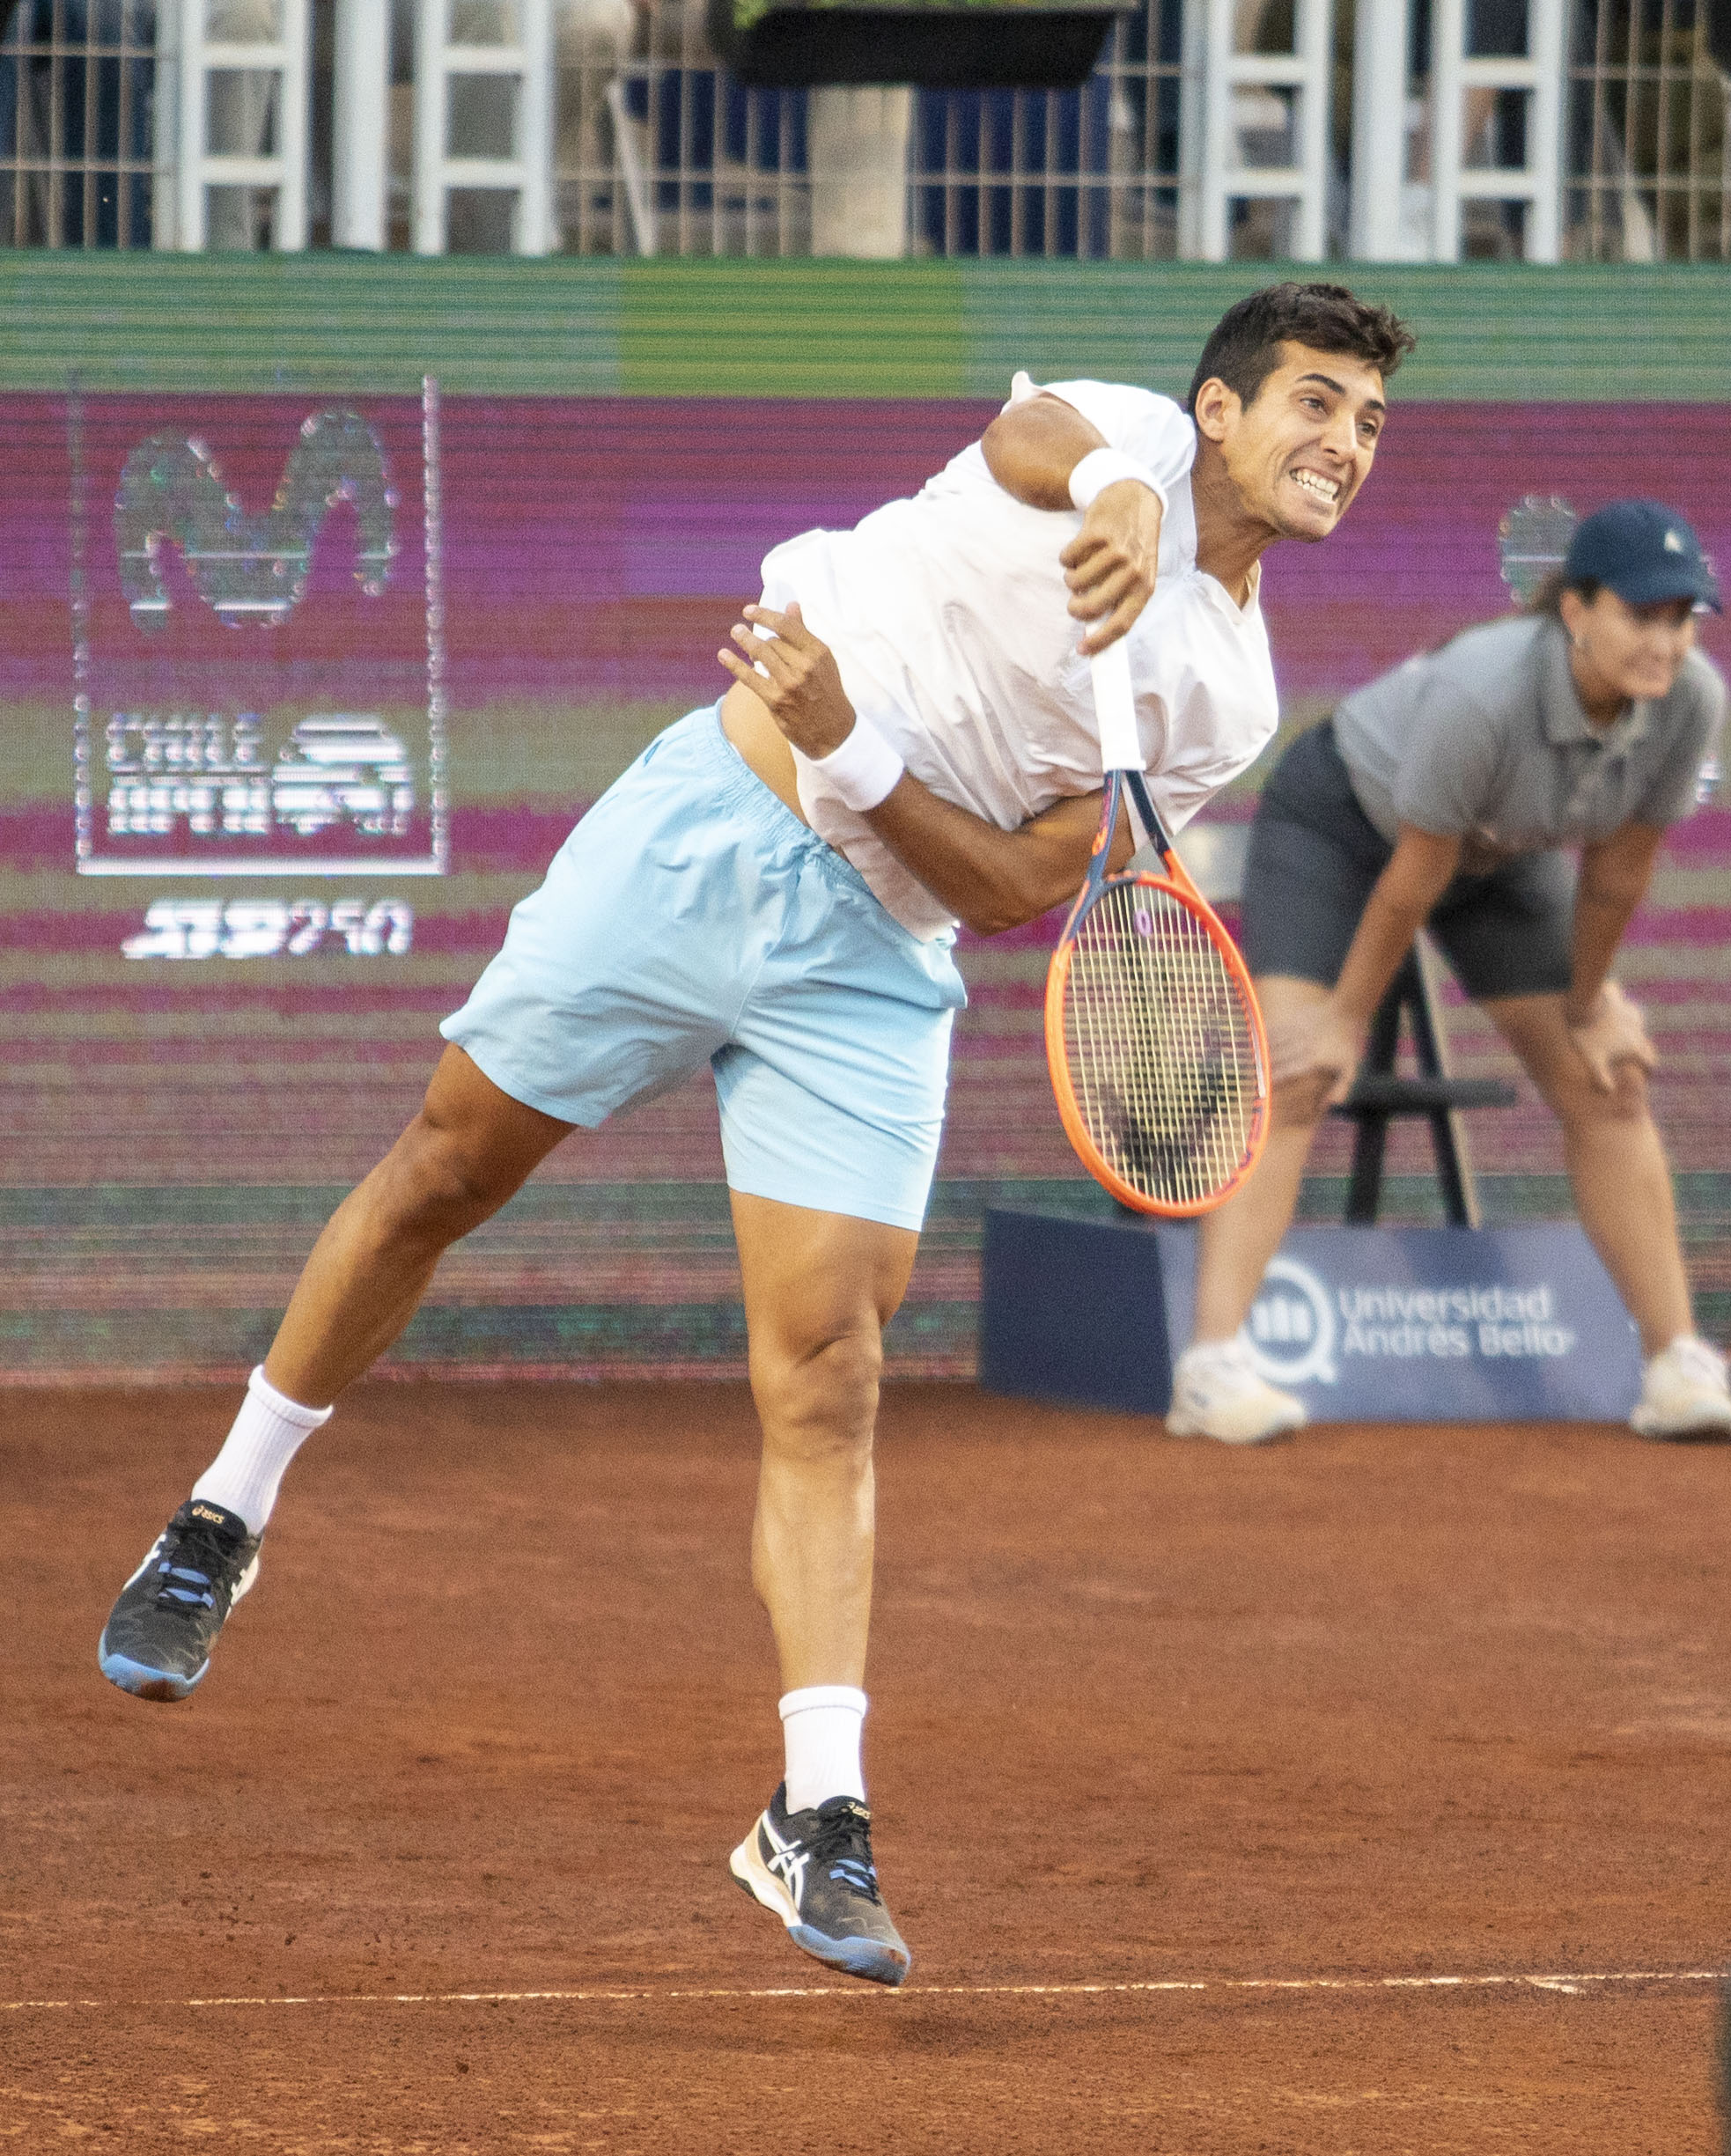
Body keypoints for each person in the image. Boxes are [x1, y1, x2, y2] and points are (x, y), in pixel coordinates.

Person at [92, 281, 1418, 1989]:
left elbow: (1018, 884)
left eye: (1371, 425)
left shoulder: (1224, 692)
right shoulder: (1135, 440)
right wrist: (1123, 497)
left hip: (875, 957)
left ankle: (816, 1810)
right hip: (712, 827)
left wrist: (859, 749)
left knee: (831, 1368)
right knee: (443, 1168)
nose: (1344, 445)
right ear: (1225, 412)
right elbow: (1041, 439)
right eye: (1316, 403)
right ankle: (220, 1515)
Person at [1166, 499, 1731, 1449]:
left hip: (1496, 855)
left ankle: (1675, 1362)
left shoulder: (1691, 701)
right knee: (1297, 1071)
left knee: (1609, 1076)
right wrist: (1342, 1022)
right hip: (1345, 830)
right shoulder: (1483, 690)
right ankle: (1210, 1365)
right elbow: (1409, 880)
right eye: (1641, 615)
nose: (1665, 641)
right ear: (1574, 611)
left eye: (1681, 618)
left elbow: (1616, 872)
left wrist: (1590, 1002)